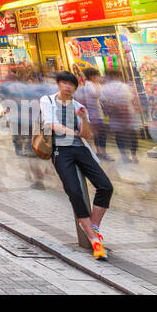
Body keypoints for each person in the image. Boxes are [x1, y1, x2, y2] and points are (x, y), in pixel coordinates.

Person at [41, 71, 113, 260]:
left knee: (105, 186)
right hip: (60, 151)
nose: (67, 87)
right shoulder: (47, 101)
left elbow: (86, 135)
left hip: (80, 149)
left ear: (75, 87)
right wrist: (74, 133)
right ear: (58, 84)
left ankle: (93, 226)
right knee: (74, 191)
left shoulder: (78, 106)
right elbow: (51, 125)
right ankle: (94, 240)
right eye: (63, 83)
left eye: (70, 84)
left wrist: (84, 119)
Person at [100, 71, 140, 162]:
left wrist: (112, 105)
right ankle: (134, 155)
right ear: (117, 76)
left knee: (119, 136)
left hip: (114, 116)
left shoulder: (104, 88)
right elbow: (130, 98)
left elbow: (103, 101)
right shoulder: (124, 86)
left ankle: (124, 156)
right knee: (132, 134)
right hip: (127, 115)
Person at [75, 67, 111, 160]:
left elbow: (103, 96)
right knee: (100, 133)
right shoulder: (89, 84)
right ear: (91, 77)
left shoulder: (94, 84)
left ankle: (100, 152)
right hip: (93, 113)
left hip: (97, 112)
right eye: (97, 76)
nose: (99, 78)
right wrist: (99, 87)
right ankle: (101, 152)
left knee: (99, 133)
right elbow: (96, 94)